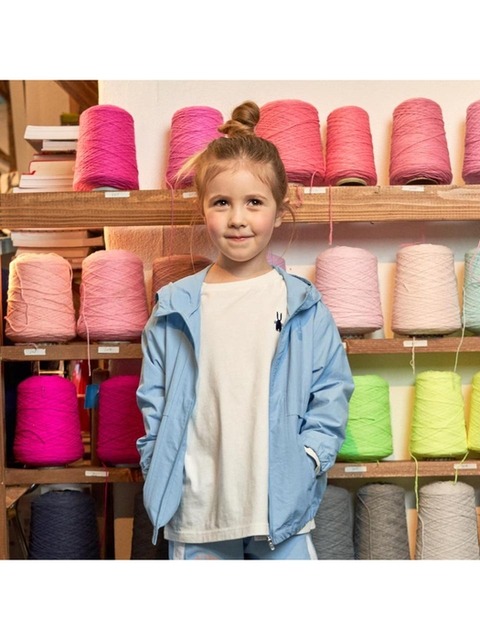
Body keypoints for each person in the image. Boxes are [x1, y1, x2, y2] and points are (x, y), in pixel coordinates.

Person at [136, 100, 354, 560]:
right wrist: (158, 463)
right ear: (203, 209)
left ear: (280, 211)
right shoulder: (174, 306)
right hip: (195, 514)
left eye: (254, 202)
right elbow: (154, 401)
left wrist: (308, 459)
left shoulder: (303, 306)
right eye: (222, 203)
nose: (237, 218)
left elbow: (332, 392)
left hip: (281, 515)